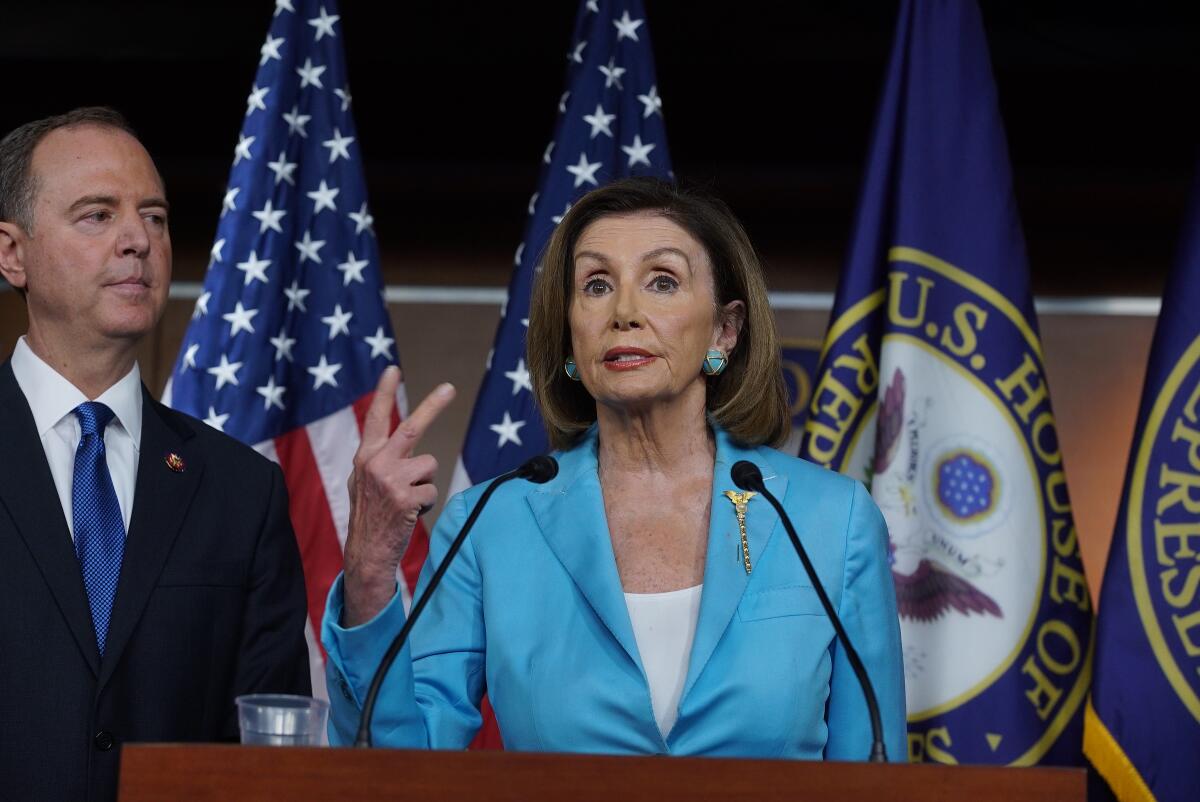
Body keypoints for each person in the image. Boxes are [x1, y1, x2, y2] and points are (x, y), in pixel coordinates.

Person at [324, 177, 905, 759]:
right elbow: (398, 764)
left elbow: (874, 766)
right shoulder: (489, 524)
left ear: (724, 331)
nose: (624, 312)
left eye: (662, 281)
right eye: (597, 285)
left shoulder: (830, 518)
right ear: (571, 336)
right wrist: (371, 570)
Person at [0, 107, 311, 802]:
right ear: (11, 253)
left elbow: (264, 753)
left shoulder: (242, 491)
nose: (137, 239)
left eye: (156, 218)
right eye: (97, 215)